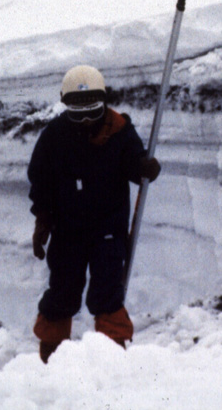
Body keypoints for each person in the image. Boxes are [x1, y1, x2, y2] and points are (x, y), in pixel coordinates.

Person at [29, 65, 161, 360]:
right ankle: (52, 356)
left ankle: (112, 353)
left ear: (105, 101)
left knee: (106, 291)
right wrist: (43, 222)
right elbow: (41, 180)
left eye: (93, 110)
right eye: (78, 113)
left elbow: (134, 163)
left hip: (108, 229)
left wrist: (144, 167)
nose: (87, 121)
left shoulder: (119, 131)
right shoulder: (55, 136)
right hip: (68, 230)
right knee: (62, 291)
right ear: (65, 105)